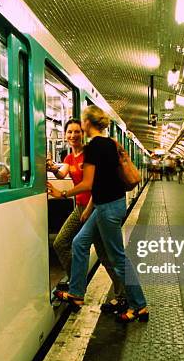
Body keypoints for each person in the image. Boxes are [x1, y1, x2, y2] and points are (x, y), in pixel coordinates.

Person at [47, 105, 149, 323]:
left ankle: (139, 305)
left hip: (108, 208)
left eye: (81, 123)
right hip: (108, 204)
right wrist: (89, 210)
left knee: (117, 257)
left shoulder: (93, 148)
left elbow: (88, 183)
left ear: (86, 123)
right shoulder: (109, 144)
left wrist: (62, 193)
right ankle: (76, 293)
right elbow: (102, 182)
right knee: (79, 243)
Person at [47, 119, 126, 312]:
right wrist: (51, 166)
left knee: (105, 255)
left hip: (96, 207)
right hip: (80, 208)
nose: (73, 135)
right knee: (61, 243)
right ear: (65, 135)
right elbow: (62, 173)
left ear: (83, 134)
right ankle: (77, 285)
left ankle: (122, 295)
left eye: (77, 132)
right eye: (69, 132)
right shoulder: (69, 157)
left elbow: (96, 185)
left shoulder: (90, 155)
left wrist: (88, 207)